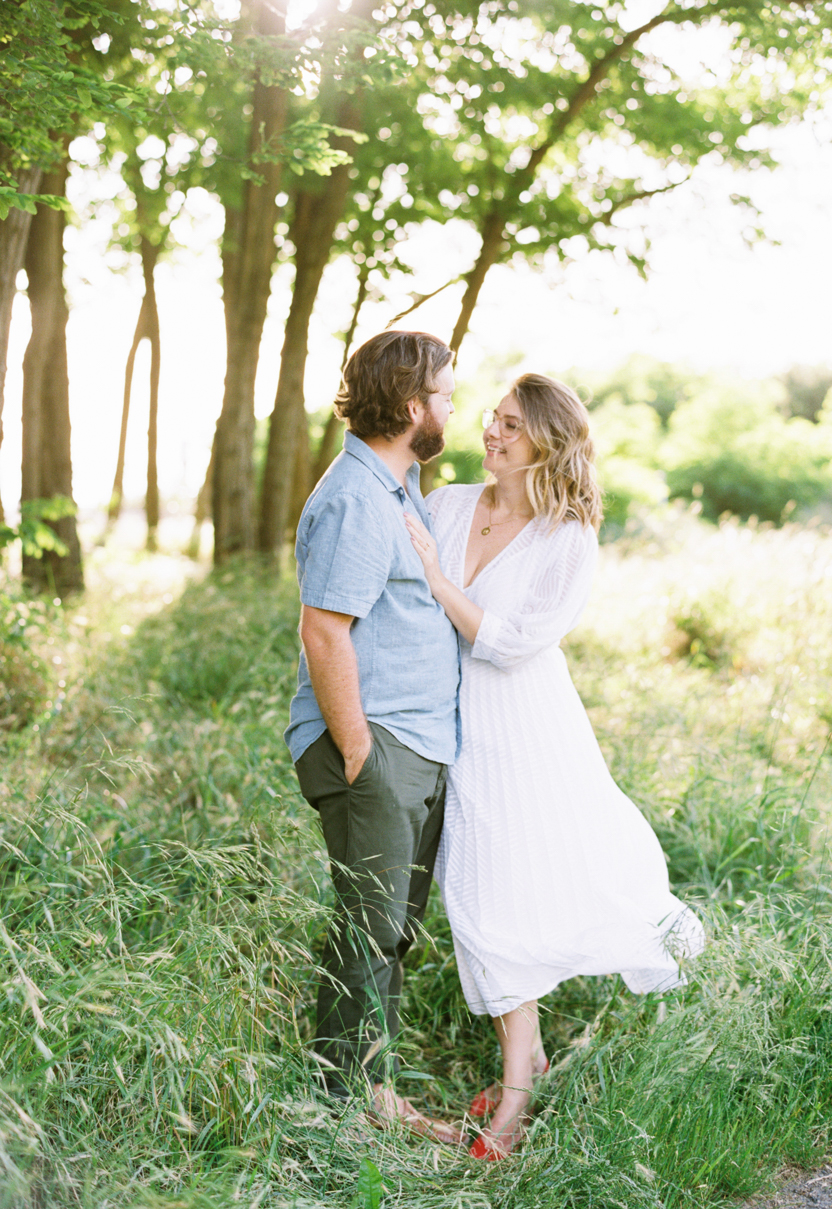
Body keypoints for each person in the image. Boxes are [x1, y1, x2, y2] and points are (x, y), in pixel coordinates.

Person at [404, 373, 705, 1159]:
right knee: (472, 901)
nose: (492, 433)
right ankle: (526, 1060)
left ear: (546, 439)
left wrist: (441, 582)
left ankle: (513, 1103)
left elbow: (509, 640)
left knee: (498, 900)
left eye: (511, 424)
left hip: (523, 732)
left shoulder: (566, 538)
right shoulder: (446, 504)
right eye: (491, 419)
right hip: (447, 723)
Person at [285, 330, 463, 1143]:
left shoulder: (400, 487)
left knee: (390, 927)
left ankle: (368, 1089)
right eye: (446, 395)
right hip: (377, 746)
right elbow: (325, 631)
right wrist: (359, 750)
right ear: (410, 404)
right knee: (370, 924)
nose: (454, 408)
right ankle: (347, 1107)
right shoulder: (357, 497)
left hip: (414, 743)